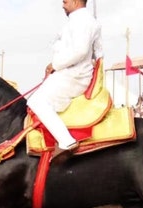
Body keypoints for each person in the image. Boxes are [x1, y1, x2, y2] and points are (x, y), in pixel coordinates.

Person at [27, 0, 103, 159]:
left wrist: (55, 64)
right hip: (69, 72)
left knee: (36, 102)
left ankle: (66, 140)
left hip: (74, 75)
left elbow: (80, 51)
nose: (63, 5)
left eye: (65, 1)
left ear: (76, 1)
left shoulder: (83, 20)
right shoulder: (79, 20)